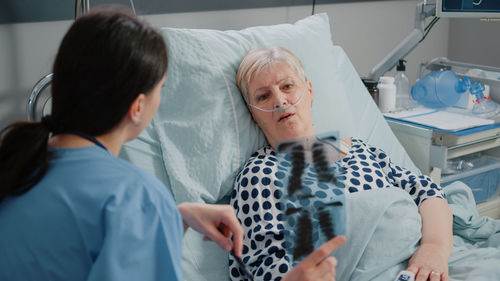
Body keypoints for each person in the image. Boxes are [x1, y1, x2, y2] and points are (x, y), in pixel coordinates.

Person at [0, 9, 243, 281]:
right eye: (160, 87)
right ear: (137, 107)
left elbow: (64, 248)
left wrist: (171, 219)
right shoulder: (136, 197)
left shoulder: (15, 165)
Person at [229, 46, 453, 281]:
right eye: (263, 96)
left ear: (309, 91)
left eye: (287, 86)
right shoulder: (260, 175)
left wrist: (434, 249)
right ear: (253, 114)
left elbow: (428, 192)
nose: (280, 100)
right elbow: (272, 267)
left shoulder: (359, 148)